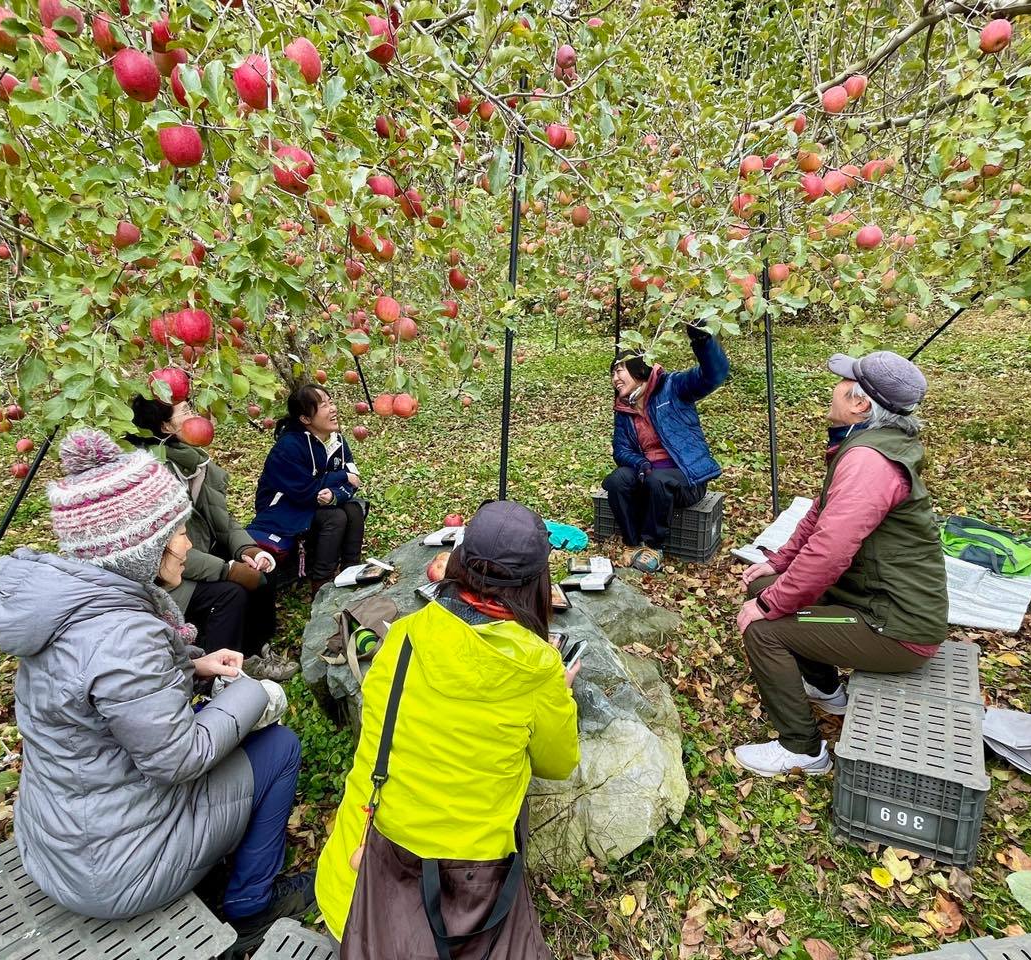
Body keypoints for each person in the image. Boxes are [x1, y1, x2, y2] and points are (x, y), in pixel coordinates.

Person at [0, 429, 313, 953]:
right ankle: (250, 908)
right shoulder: (124, 635)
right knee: (279, 748)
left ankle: (213, 861)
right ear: (139, 550)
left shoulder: (69, 610)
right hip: (115, 870)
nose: (185, 544)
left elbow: (104, 697)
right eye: (175, 532)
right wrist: (254, 694)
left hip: (66, 839)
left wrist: (197, 666)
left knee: (235, 734)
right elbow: (177, 758)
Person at [316, 500, 580, 953]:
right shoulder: (538, 667)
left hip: (359, 889)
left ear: (457, 563)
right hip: (465, 904)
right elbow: (558, 764)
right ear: (537, 582)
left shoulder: (402, 636)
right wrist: (560, 691)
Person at [733, 351, 948, 776]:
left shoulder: (869, 461)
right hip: (872, 601)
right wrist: (778, 563)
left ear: (860, 404)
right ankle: (827, 688)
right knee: (765, 585)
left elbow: (830, 551)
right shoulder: (867, 444)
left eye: (842, 382)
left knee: (764, 628)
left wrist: (769, 607)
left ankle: (802, 749)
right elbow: (819, 514)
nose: (831, 389)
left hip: (894, 627)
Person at [127, 395, 294, 680]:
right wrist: (226, 570)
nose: (196, 415)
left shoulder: (192, 463)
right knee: (229, 594)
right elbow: (164, 552)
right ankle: (217, 674)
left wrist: (248, 550)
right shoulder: (148, 477)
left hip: (197, 553)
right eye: (186, 411)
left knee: (264, 575)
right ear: (166, 426)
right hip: (164, 576)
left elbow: (221, 519)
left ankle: (255, 651)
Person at [605, 324, 730, 573]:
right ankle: (632, 544)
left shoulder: (672, 387)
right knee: (617, 480)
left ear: (638, 367)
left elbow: (713, 375)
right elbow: (620, 450)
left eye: (620, 371)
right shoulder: (624, 409)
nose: (615, 378)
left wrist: (703, 342)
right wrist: (640, 463)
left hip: (686, 480)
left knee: (658, 480)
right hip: (648, 476)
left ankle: (653, 546)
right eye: (613, 373)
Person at [247, 384, 365, 595]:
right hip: (282, 507)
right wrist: (342, 477)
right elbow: (304, 491)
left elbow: (354, 482)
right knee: (335, 518)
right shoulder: (289, 446)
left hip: (311, 501)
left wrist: (335, 495)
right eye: (323, 406)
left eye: (331, 402)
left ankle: (350, 570)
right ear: (305, 419)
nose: (332, 409)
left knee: (354, 510)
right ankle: (322, 582)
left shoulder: (337, 441)